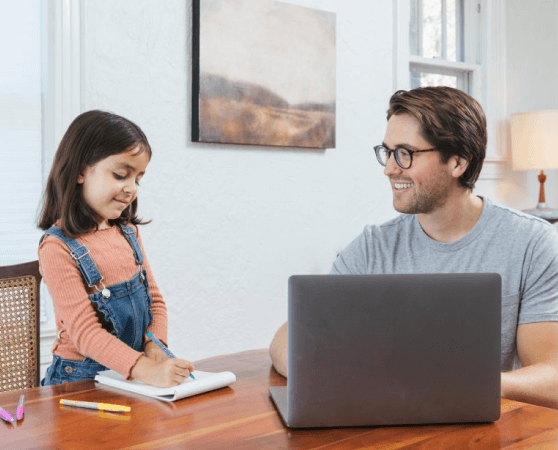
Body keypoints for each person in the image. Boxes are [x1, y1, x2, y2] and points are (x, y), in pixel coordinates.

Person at [269, 86, 558, 410]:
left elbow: (553, 377)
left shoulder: (531, 243)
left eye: (405, 153)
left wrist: (468, 383)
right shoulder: (372, 247)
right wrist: (331, 370)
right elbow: (286, 340)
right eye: (387, 151)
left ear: (459, 161)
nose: (390, 168)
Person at [38, 110, 194, 387]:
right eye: (121, 175)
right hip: (79, 380)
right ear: (80, 172)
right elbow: (86, 334)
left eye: (138, 179)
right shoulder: (57, 247)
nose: (131, 188)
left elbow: (155, 301)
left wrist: (155, 346)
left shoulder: (128, 232)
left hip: (129, 373)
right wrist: (147, 370)